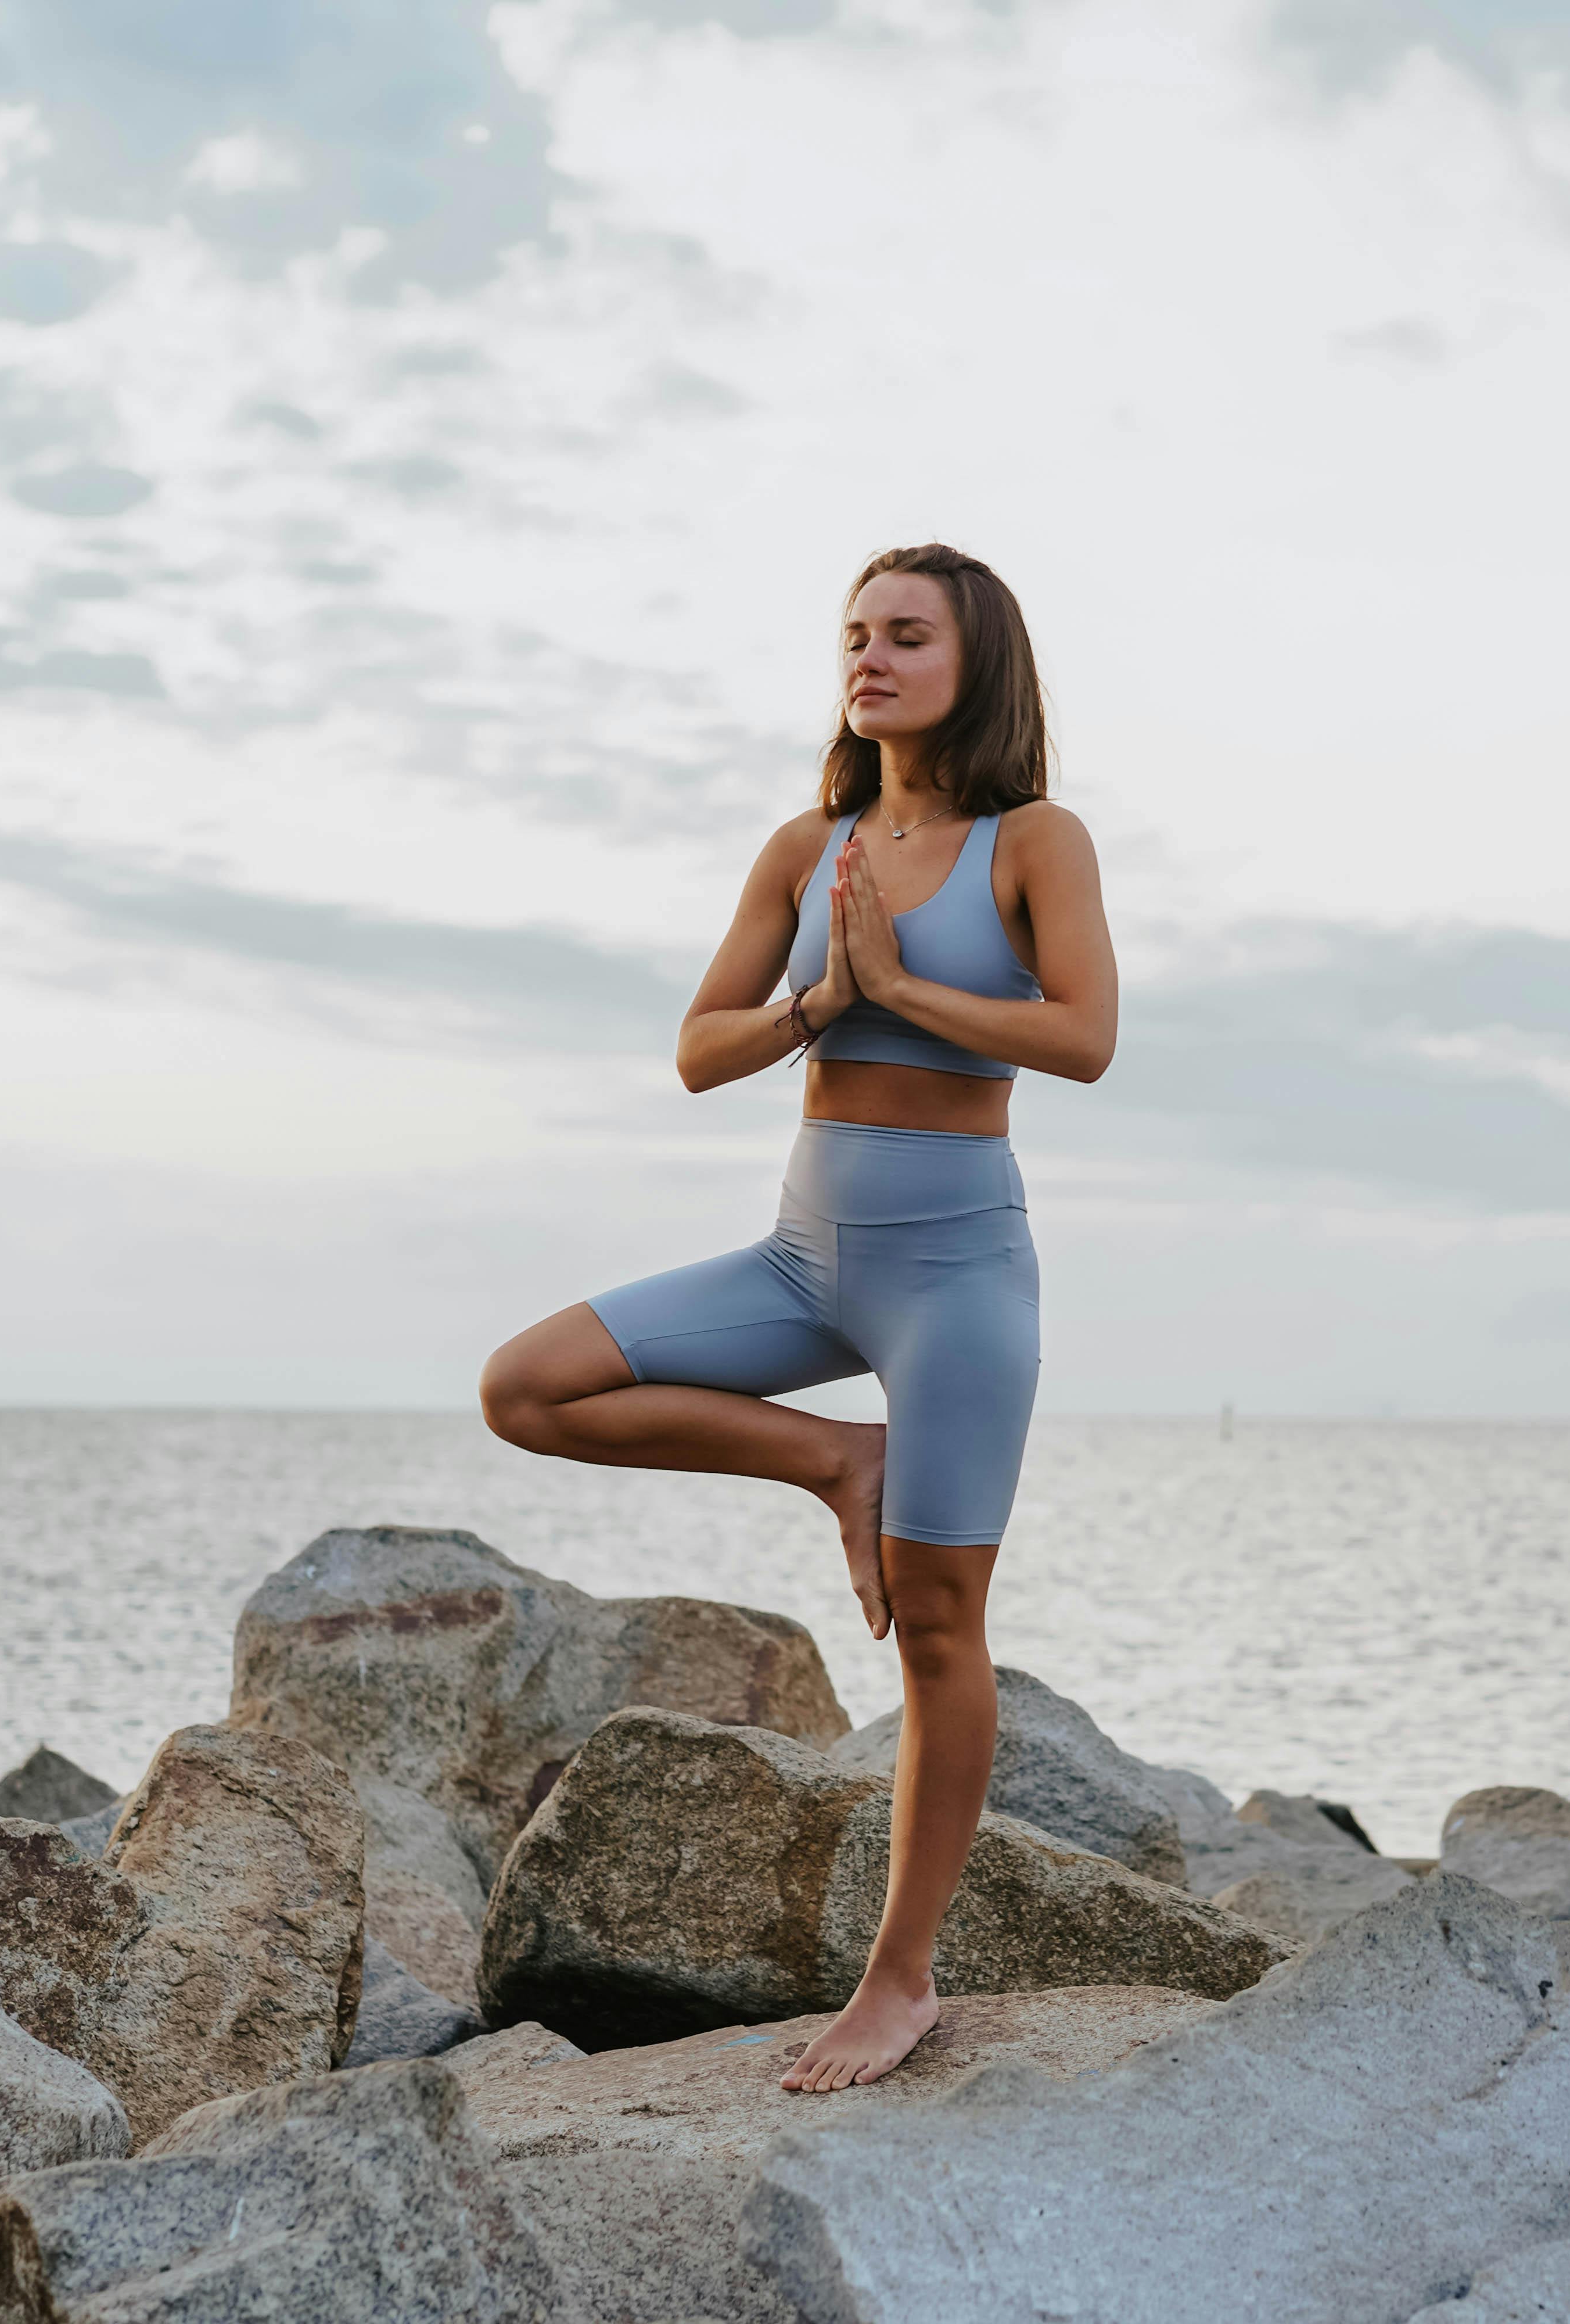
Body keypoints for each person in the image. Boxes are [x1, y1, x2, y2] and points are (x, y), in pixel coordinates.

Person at [477, 544, 1117, 2089]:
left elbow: (1084, 1037)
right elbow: (702, 1051)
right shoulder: (806, 846)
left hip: (959, 1279)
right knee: (528, 1385)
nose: (872, 659)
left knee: (942, 1628)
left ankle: (900, 1982)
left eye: (906, 637)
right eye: (856, 636)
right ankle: (833, 1464)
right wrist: (824, 1002)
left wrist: (900, 978)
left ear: (977, 664)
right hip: (801, 1260)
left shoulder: (1034, 840)